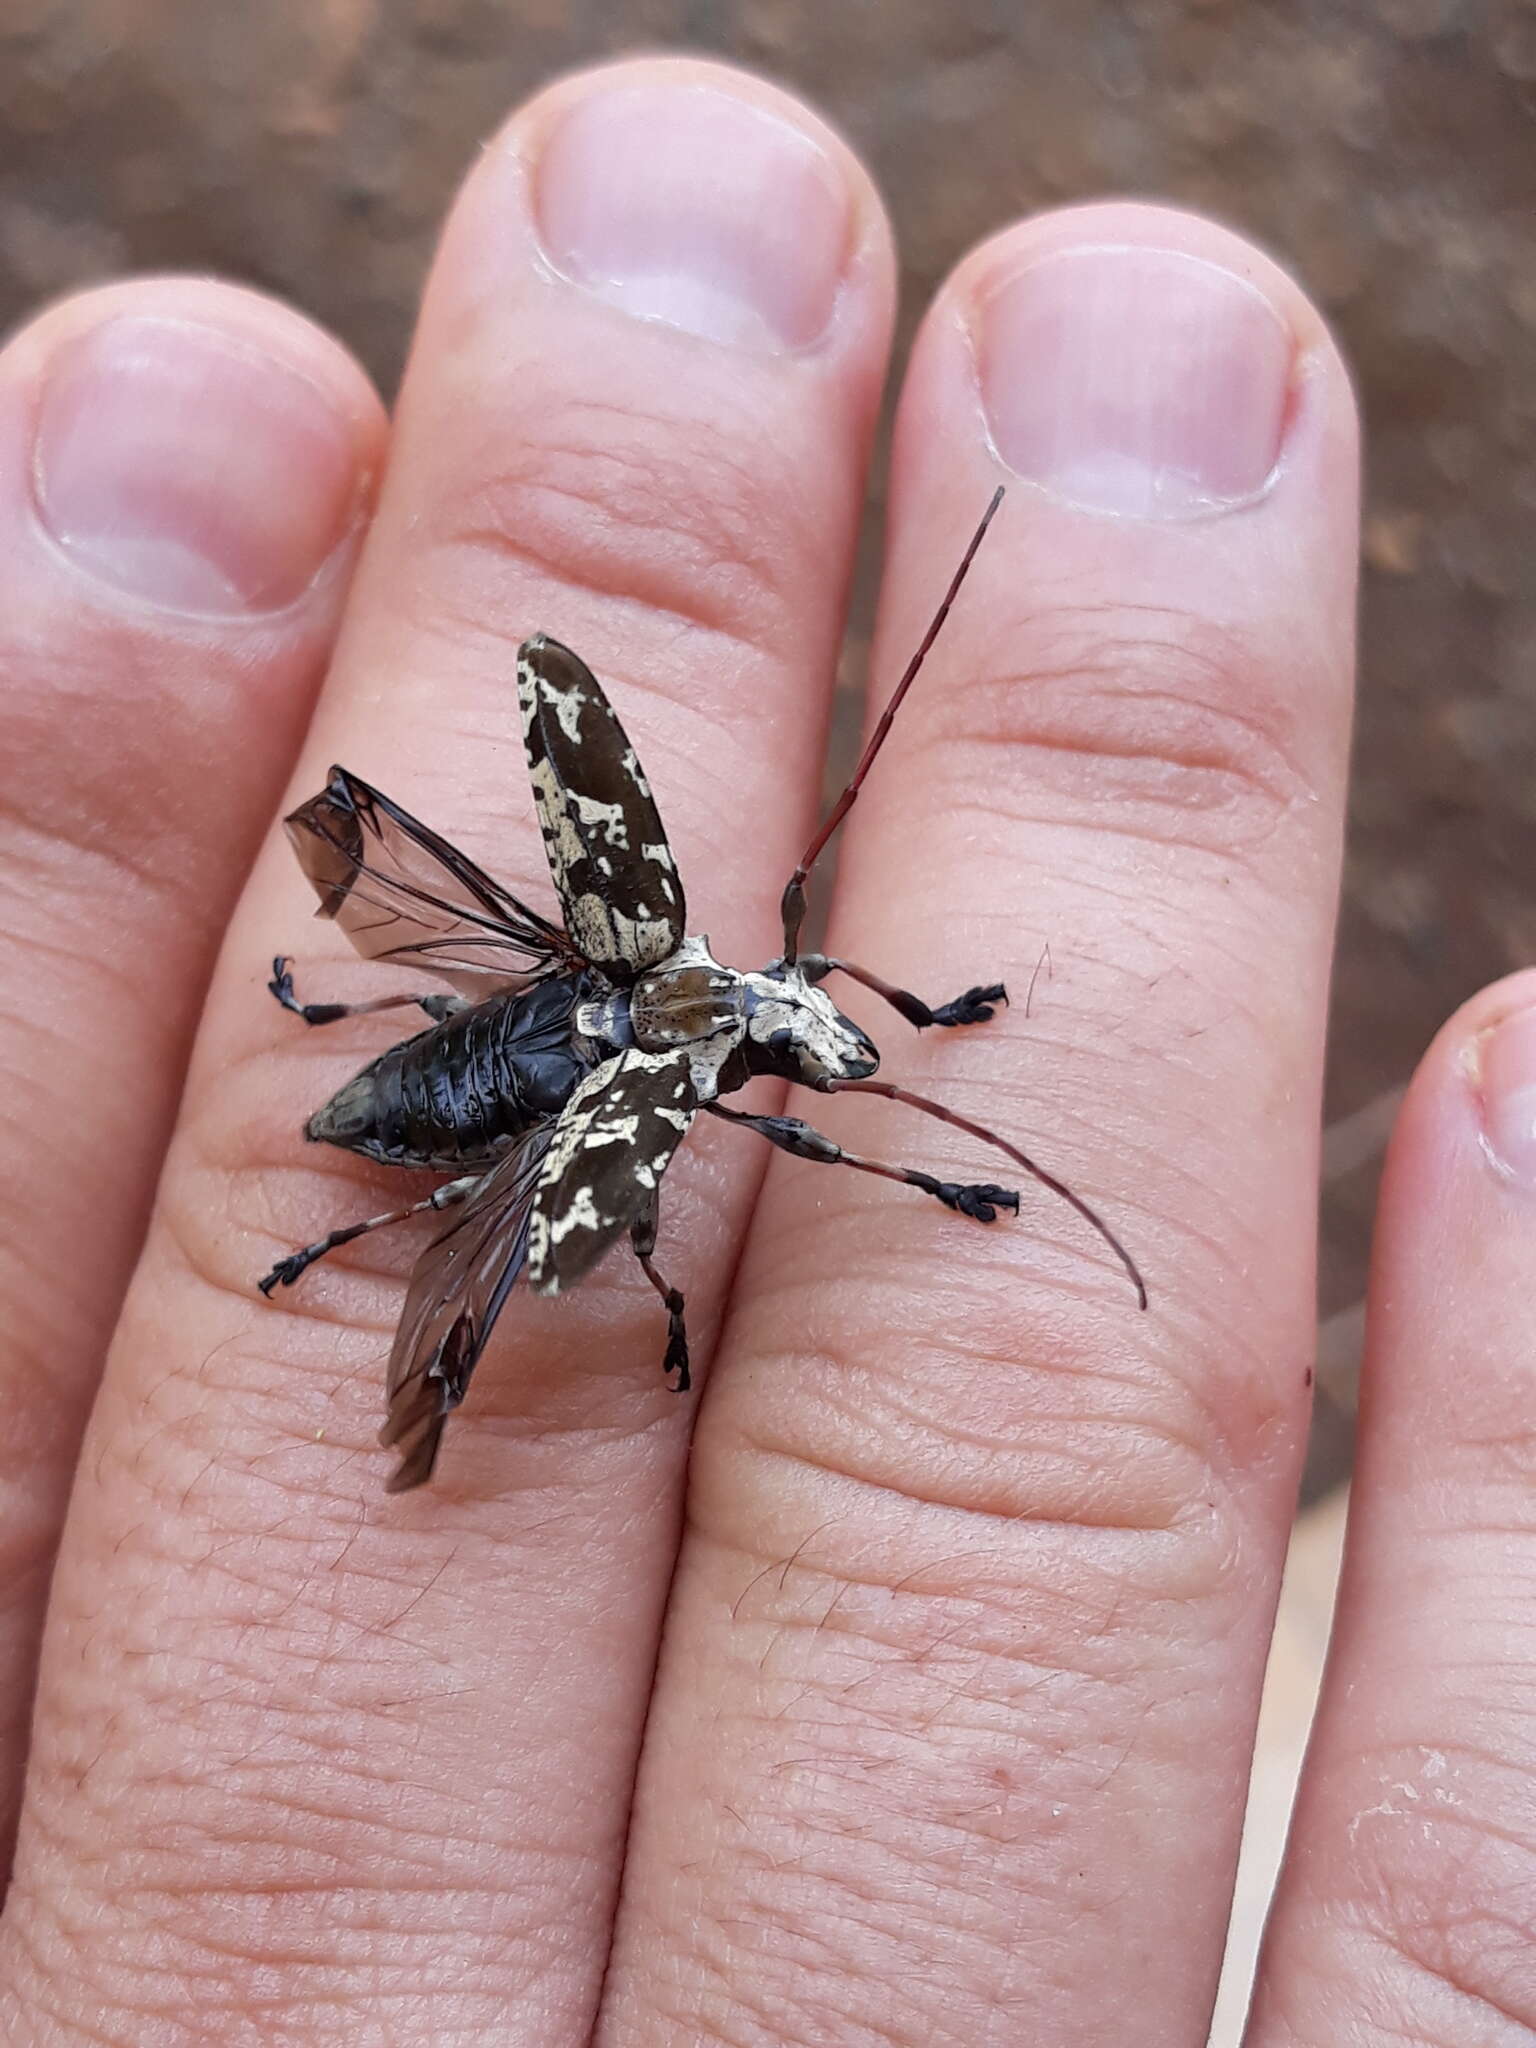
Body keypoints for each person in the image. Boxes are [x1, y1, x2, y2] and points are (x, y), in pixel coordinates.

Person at [0, 50, 1526, 2045]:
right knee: (512, 1125)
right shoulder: (687, 1082)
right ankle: (330, 1224)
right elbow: (637, 1191)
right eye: (806, 1031)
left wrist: (922, 1036)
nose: (811, 1036)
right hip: (450, 1087)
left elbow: (774, 1037)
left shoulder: (716, 1004)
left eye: (816, 1027)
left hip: (527, 1024)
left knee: (528, 1014)